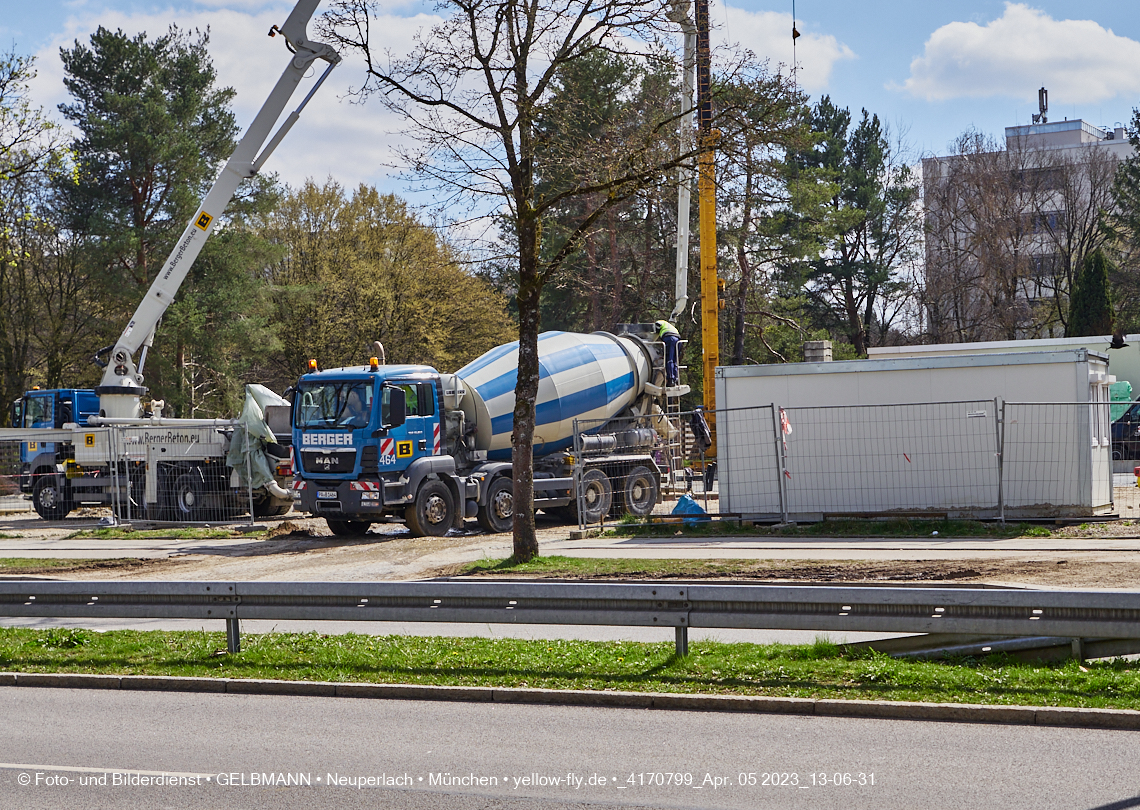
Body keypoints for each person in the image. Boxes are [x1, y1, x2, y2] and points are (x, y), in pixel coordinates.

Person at [654, 319, 681, 387]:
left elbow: (657, 326)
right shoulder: (670, 326)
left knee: (669, 359)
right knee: (675, 360)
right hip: (677, 340)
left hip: (669, 338)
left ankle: (671, 379)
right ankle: (676, 378)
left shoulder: (659, 322)